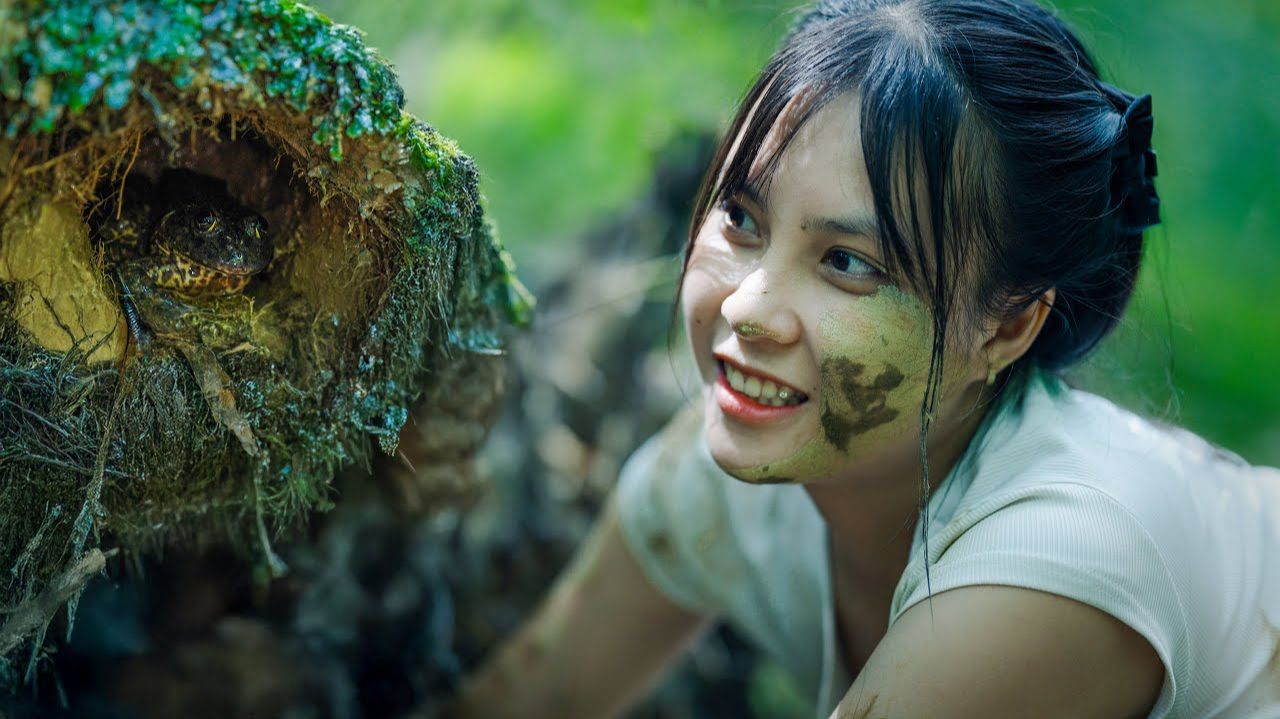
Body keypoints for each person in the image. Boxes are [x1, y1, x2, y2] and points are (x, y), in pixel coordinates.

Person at [436, 0, 1280, 717]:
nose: (747, 306)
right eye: (740, 218)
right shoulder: (719, 476)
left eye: (848, 263)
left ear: (1009, 326)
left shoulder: (1056, 561)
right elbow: (530, 697)